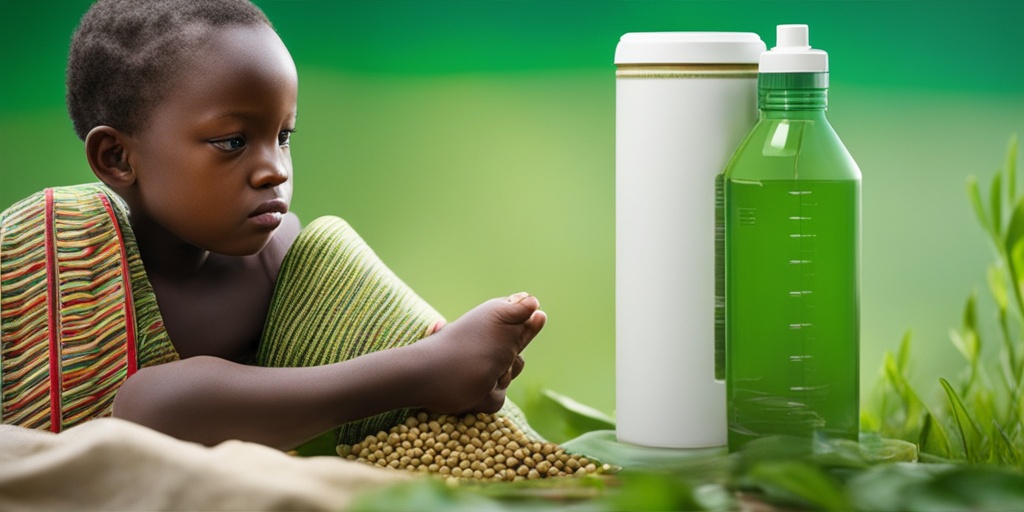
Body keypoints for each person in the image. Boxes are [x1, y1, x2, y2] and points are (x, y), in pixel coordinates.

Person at [0, 0, 545, 451]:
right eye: (233, 142)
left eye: (283, 136)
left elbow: (374, 349)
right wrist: (420, 370)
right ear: (117, 158)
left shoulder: (283, 261)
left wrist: (473, 376)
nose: (275, 170)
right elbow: (151, 411)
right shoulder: (55, 250)